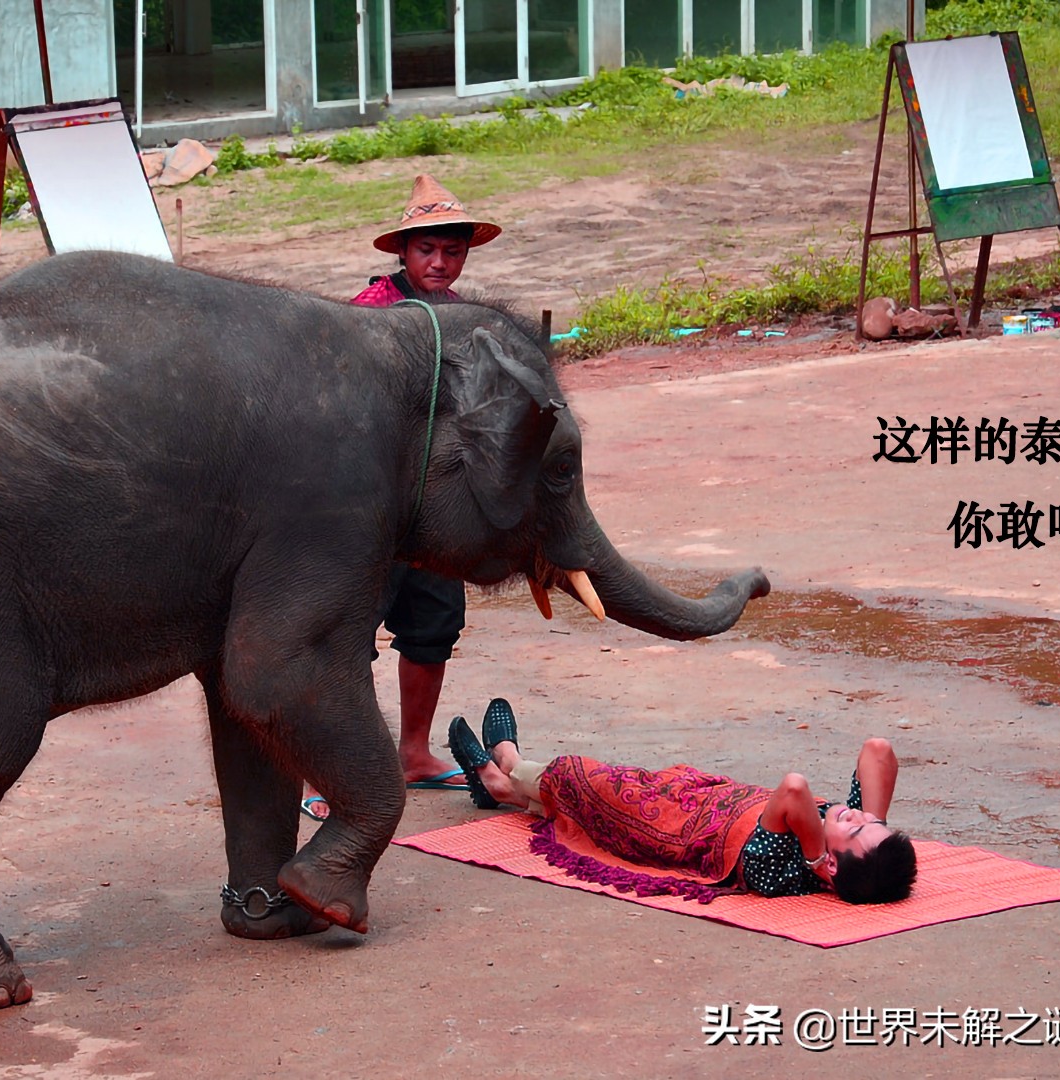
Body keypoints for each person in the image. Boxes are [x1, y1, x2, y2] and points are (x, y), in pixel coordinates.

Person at [300, 175, 503, 822]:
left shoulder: (465, 316)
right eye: (427, 252)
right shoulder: (371, 313)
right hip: (367, 504)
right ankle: (322, 772)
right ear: (404, 254)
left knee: (433, 625)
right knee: (346, 634)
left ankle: (414, 751)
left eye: (452, 251)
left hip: (434, 507)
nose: (440, 263)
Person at [447, 703, 917, 905]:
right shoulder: (842, 834)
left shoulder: (783, 875)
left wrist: (815, 855)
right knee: (621, 780)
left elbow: (794, 788)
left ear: (832, 865)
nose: (857, 814)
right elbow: (879, 750)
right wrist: (875, 829)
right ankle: (506, 777)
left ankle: (505, 770)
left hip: (674, 828)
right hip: (703, 794)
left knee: (582, 778)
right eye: (869, 817)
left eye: (857, 828)